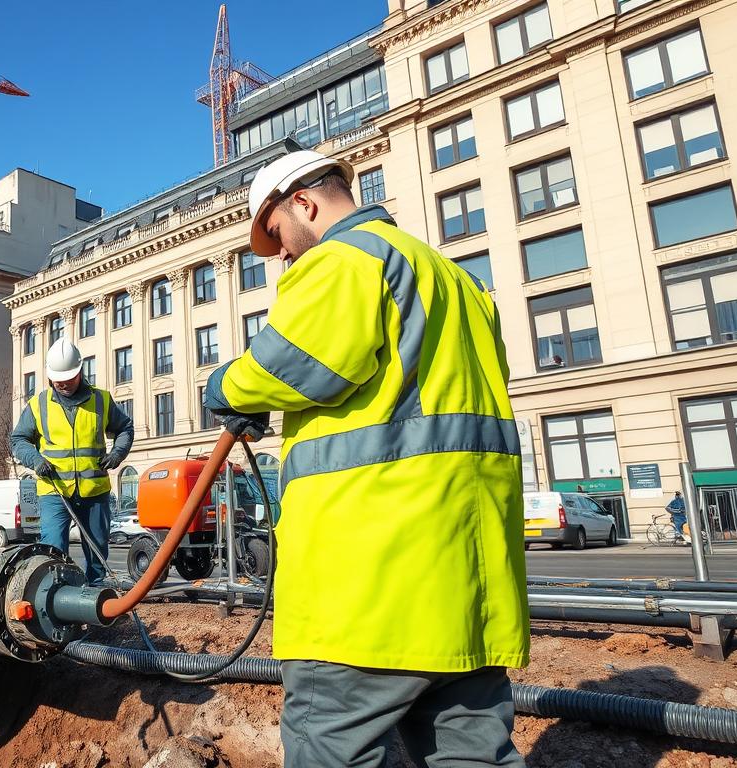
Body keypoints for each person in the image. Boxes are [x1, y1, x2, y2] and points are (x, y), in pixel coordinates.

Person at [202, 149, 528, 767]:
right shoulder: (456, 279)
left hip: (371, 586)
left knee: (334, 745)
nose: (285, 256)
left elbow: (292, 365)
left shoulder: (347, 261)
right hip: (468, 584)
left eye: (278, 236)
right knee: (473, 755)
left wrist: (222, 388)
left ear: (304, 202)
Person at [9, 338, 134, 585]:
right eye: (58, 378)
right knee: (53, 548)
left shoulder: (102, 400)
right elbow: (18, 440)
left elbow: (125, 428)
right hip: (54, 492)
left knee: (97, 550)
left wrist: (118, 453)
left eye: (68, 377)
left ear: (80, 372)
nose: (62, 383)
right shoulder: (38, 404)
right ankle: (55, 595)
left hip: (94, 492)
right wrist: (35, 459)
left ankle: (95, 595)